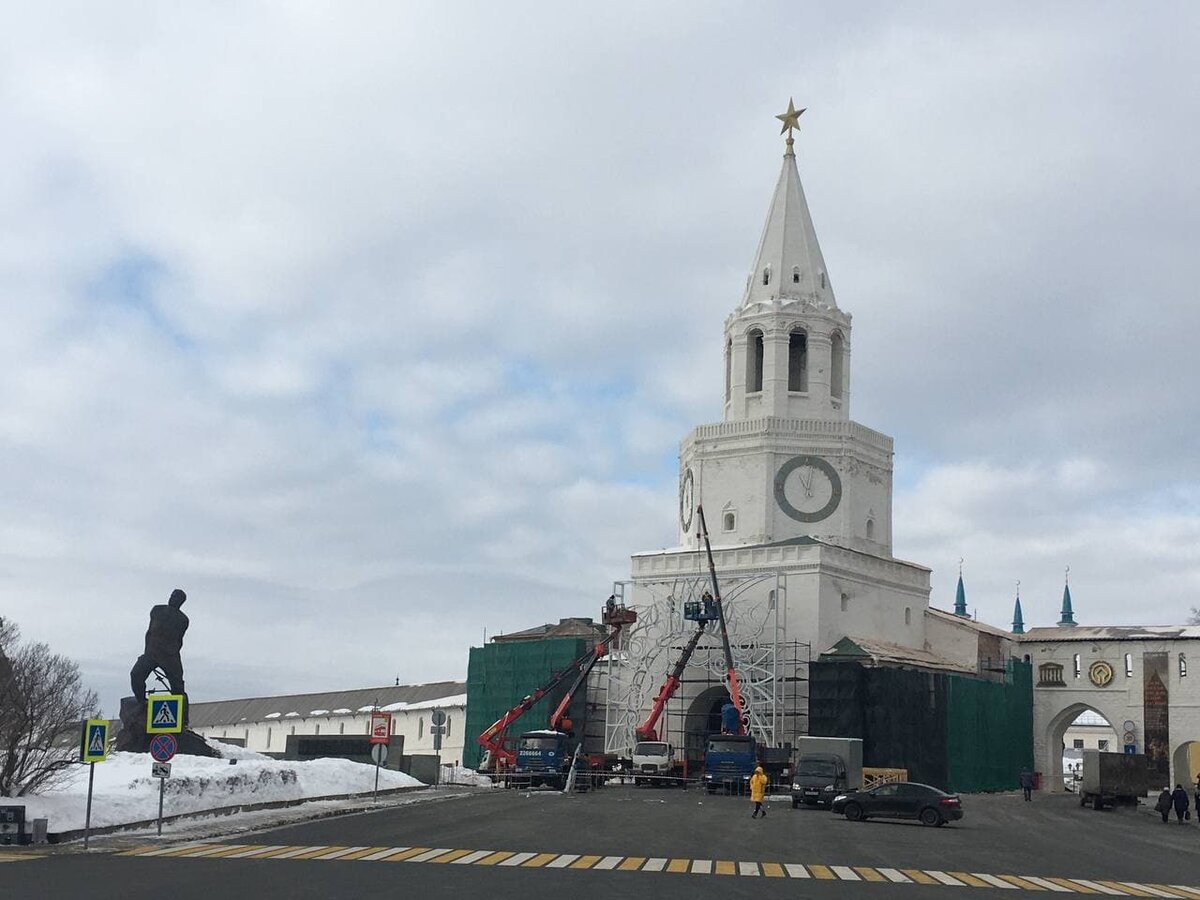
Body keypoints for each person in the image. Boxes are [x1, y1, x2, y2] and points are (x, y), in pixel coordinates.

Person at [130, 589, 190, 706]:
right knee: (136, 674)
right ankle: (141, 703)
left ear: (181, 602)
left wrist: (172, 653)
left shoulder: (182, 620)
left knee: (178, 688)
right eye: (172, 595)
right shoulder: (157, 610)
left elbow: (179, 640)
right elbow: (149, 632)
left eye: (176, 597)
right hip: (151, 654)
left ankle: (183, 717)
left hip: (170, 656)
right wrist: (147, 652)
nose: (173, 598)